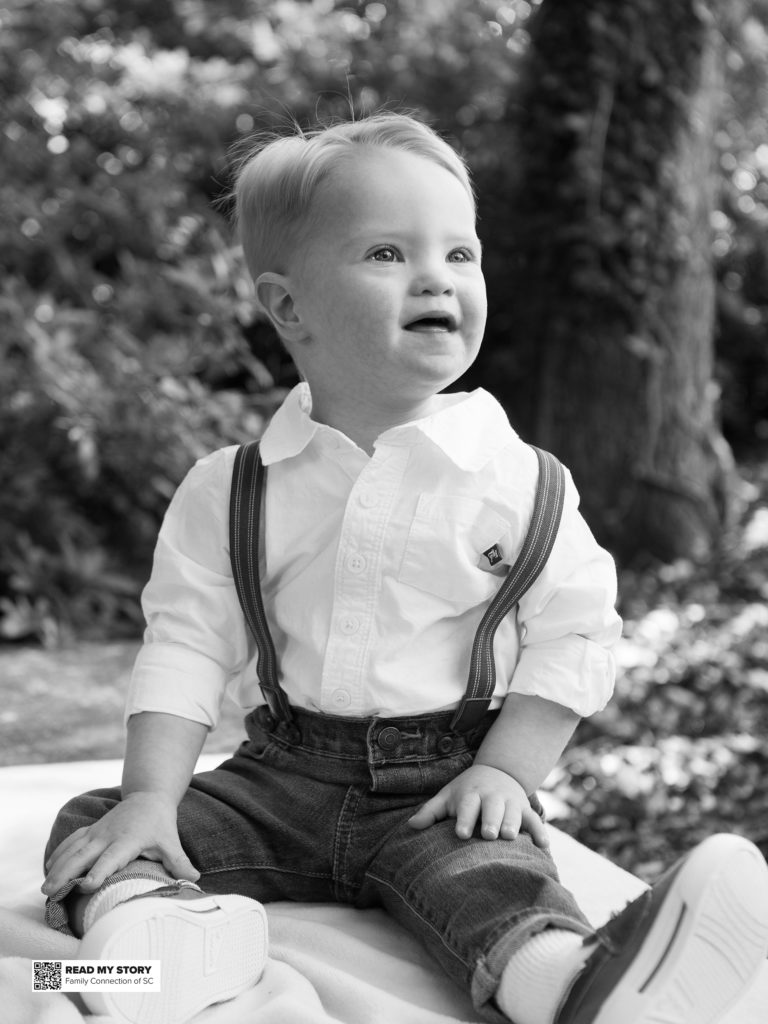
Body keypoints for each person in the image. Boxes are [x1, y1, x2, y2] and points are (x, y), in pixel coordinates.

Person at [41, 112, 768, 1024]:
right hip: (279, 779)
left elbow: (576, 632)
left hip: (436, 792)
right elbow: (186, 642)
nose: (438, 277)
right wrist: (153, 797)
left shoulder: (520, 482)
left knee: (495, 883)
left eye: (461, 254)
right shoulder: (232, 487)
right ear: (288, 305)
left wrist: (506, 774)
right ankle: (155, 951)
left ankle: (575, 988)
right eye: (388, 253)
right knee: (96, 825)